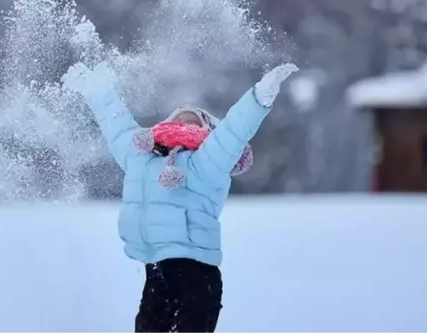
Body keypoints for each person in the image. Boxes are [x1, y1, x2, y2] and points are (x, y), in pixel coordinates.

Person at [62, 61, 299, 333]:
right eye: (179, 118)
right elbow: (116, 124)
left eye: (194, 120)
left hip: (197, 276)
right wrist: (96, 89)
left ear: (209, 132)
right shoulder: (140, 156)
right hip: (156, 272)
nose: (185, 122)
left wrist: (259, 97)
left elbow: (234, 131)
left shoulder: (208, 160)